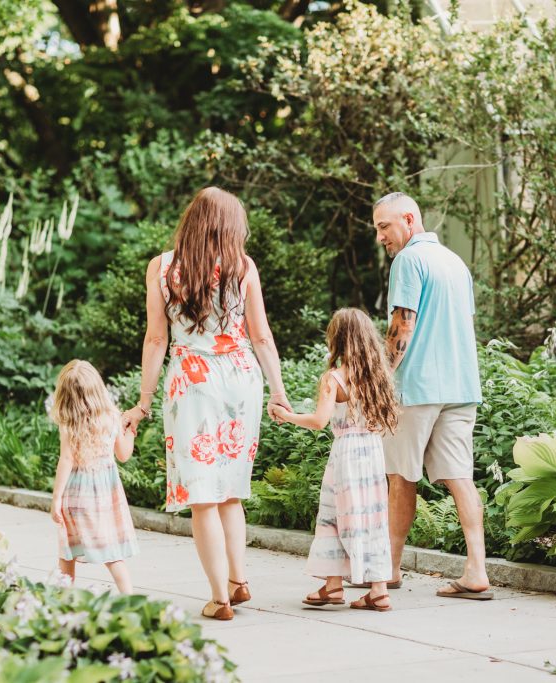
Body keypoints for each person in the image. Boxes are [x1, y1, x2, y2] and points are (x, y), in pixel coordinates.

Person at [123, 186, 290, 621]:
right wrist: (279, 391)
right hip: (241, 379)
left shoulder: (162, 268)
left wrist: (143, 402)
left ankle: (220, 599)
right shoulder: (243, 267)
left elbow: (156, 338)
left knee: (202, 495)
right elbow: (261, 336)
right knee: (230, 490)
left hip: (192, 382)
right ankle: (238, 580)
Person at [371, 191, 493, 600]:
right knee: (461, 478)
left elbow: (402, 324)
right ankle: (477, 570)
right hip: (461, 386)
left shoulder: (408, 260)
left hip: (417, 387)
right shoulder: (455, 263)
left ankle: (389, 569)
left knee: (400, 476)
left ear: (408, 219)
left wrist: (380, 377)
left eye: (384, 226)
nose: (380, 237)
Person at [272, 309, 399, 612]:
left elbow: (319, 421)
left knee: (334, 515)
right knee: (372, 517)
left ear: (338, 340)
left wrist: (287, 416)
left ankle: (333, 585)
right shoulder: (378, 377)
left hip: (347, 454)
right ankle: (378, 590)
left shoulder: (335, 378)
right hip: (372, 453)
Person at [50, 359, 139, 594]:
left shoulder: (69, 423)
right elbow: (123, 455)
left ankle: (61, 600)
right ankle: (130, 599)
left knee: (67, 553)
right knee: (112, 553)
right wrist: (130, 432)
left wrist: (56, 498)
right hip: (106, 495)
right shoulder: (112, 417)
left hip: (76, 495)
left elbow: (66, 460)